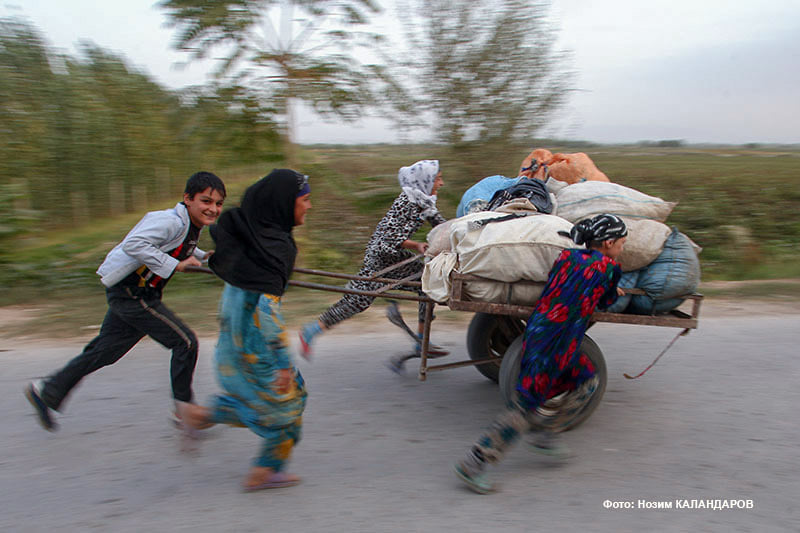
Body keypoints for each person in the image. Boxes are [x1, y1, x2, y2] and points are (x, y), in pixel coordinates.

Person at [25, 172, 226, 432]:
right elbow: (134, 243)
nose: (213, 209)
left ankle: (46, 391)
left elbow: (179, 247)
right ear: (187, 199)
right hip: (133, 293)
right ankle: (184, 410)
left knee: (105, 352)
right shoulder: (170, 221)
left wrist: (205, 256)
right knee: (185, 343)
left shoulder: (190, 225)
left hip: (136, 293)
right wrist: (175, 265)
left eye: (218, 203)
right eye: (206, 201)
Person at [454, 214, 628, 494]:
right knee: (525, 405)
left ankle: (547, 433)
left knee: (588, 379)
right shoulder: (609, 268)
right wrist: (614, 289)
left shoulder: (567, 257)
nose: (622, 247)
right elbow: (606, 301)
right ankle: (475, 462)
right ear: (608, 243)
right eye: (622, 242)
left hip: (542, 332)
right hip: (556, 343)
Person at [177, 169, 310, 491]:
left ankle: (208, 419)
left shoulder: (251, 235)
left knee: (290, 400)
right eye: (305, 200)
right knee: (285, 409)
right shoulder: (277, 248)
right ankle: (262, 470)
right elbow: (267, 312)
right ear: (284, 203)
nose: (309, 206)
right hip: (256, 352)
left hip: (232, 347)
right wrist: (282, 363)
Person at [298, 159, 447, 360]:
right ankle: (311, 330)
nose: (441, 183)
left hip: (393, 256)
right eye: (438, 179)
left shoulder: (424, 202)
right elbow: (389, 238)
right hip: (382, 257)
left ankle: (422, 341)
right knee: (358, 300)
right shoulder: (408, 203)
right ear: (426, 180)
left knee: (425, 285)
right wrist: (416, 245)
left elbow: (443, 227)